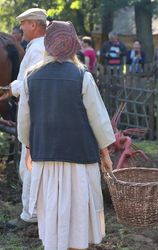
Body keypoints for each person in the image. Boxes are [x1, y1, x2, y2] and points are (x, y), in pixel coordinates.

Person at [17, 20, 115, 250]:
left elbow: (24, 122)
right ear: (73, 46)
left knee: (51, 209)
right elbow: (98, 119)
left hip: (45, 157)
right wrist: (105, 152)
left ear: (48, 45)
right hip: (80, 158)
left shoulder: (31, 77)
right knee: (78, 210)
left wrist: (29, 149)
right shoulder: (82, 76)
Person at [1, 8, 47, 226]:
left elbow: (34, 82)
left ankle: (31, 213)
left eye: (23, 24)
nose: (20, 28)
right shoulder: (37, 46)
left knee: (29, 164)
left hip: (35, 112)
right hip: (36, 111)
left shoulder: (38, 49)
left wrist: (13, 88)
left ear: (34, 25)